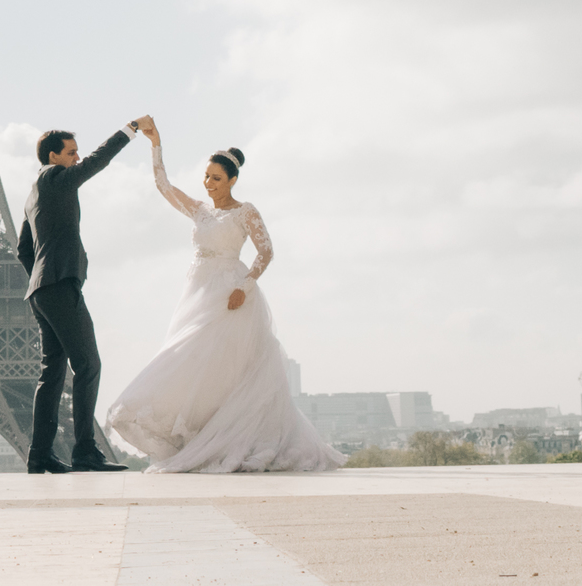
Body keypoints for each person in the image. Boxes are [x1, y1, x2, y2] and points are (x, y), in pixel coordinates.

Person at [107, 121, 344, 473]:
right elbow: (162, 185)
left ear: (232, 180)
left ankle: (233, 439)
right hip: (197, 296)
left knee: (227, 372)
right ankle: (198, 435)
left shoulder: (245, 211)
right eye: (206, 177)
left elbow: (266, 253)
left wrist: (243, 287)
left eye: (216, 178)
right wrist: (156, 144)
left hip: (231, 296)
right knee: (189, 364)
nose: (208, 184)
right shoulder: (200, 211)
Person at [17, 119, 150, 473]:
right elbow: (96, 162)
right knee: (89, 365)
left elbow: (22, 249)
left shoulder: (33, 194)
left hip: (42, 290)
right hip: (59, 286)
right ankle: (85, 451)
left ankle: (40, 454)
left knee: (53, 374)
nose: (77, 158)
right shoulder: (53, 179)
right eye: (71, 152)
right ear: (53, 157)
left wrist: (41, 276)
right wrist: (131, 129)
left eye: (76, 152)